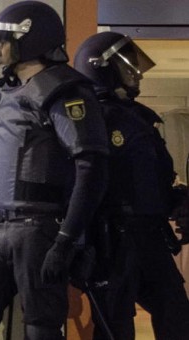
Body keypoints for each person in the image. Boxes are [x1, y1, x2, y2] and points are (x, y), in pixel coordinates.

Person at [0, 2, 109, 339]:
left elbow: (91, 165)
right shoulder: (3, 93)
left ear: (32, 39)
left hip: (40, 227)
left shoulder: (64, 89)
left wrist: (67, 240)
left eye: (6, 39)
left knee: (40, 324)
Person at [74, 31, 189, 340]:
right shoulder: (87, 119)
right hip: (112, 241)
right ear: (102, 68)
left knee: (178, 317)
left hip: (150, 237)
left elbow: (158, 179)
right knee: (115, 328)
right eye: (128, 67)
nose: (137, 74)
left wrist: (179, 201)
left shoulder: (142, 119)